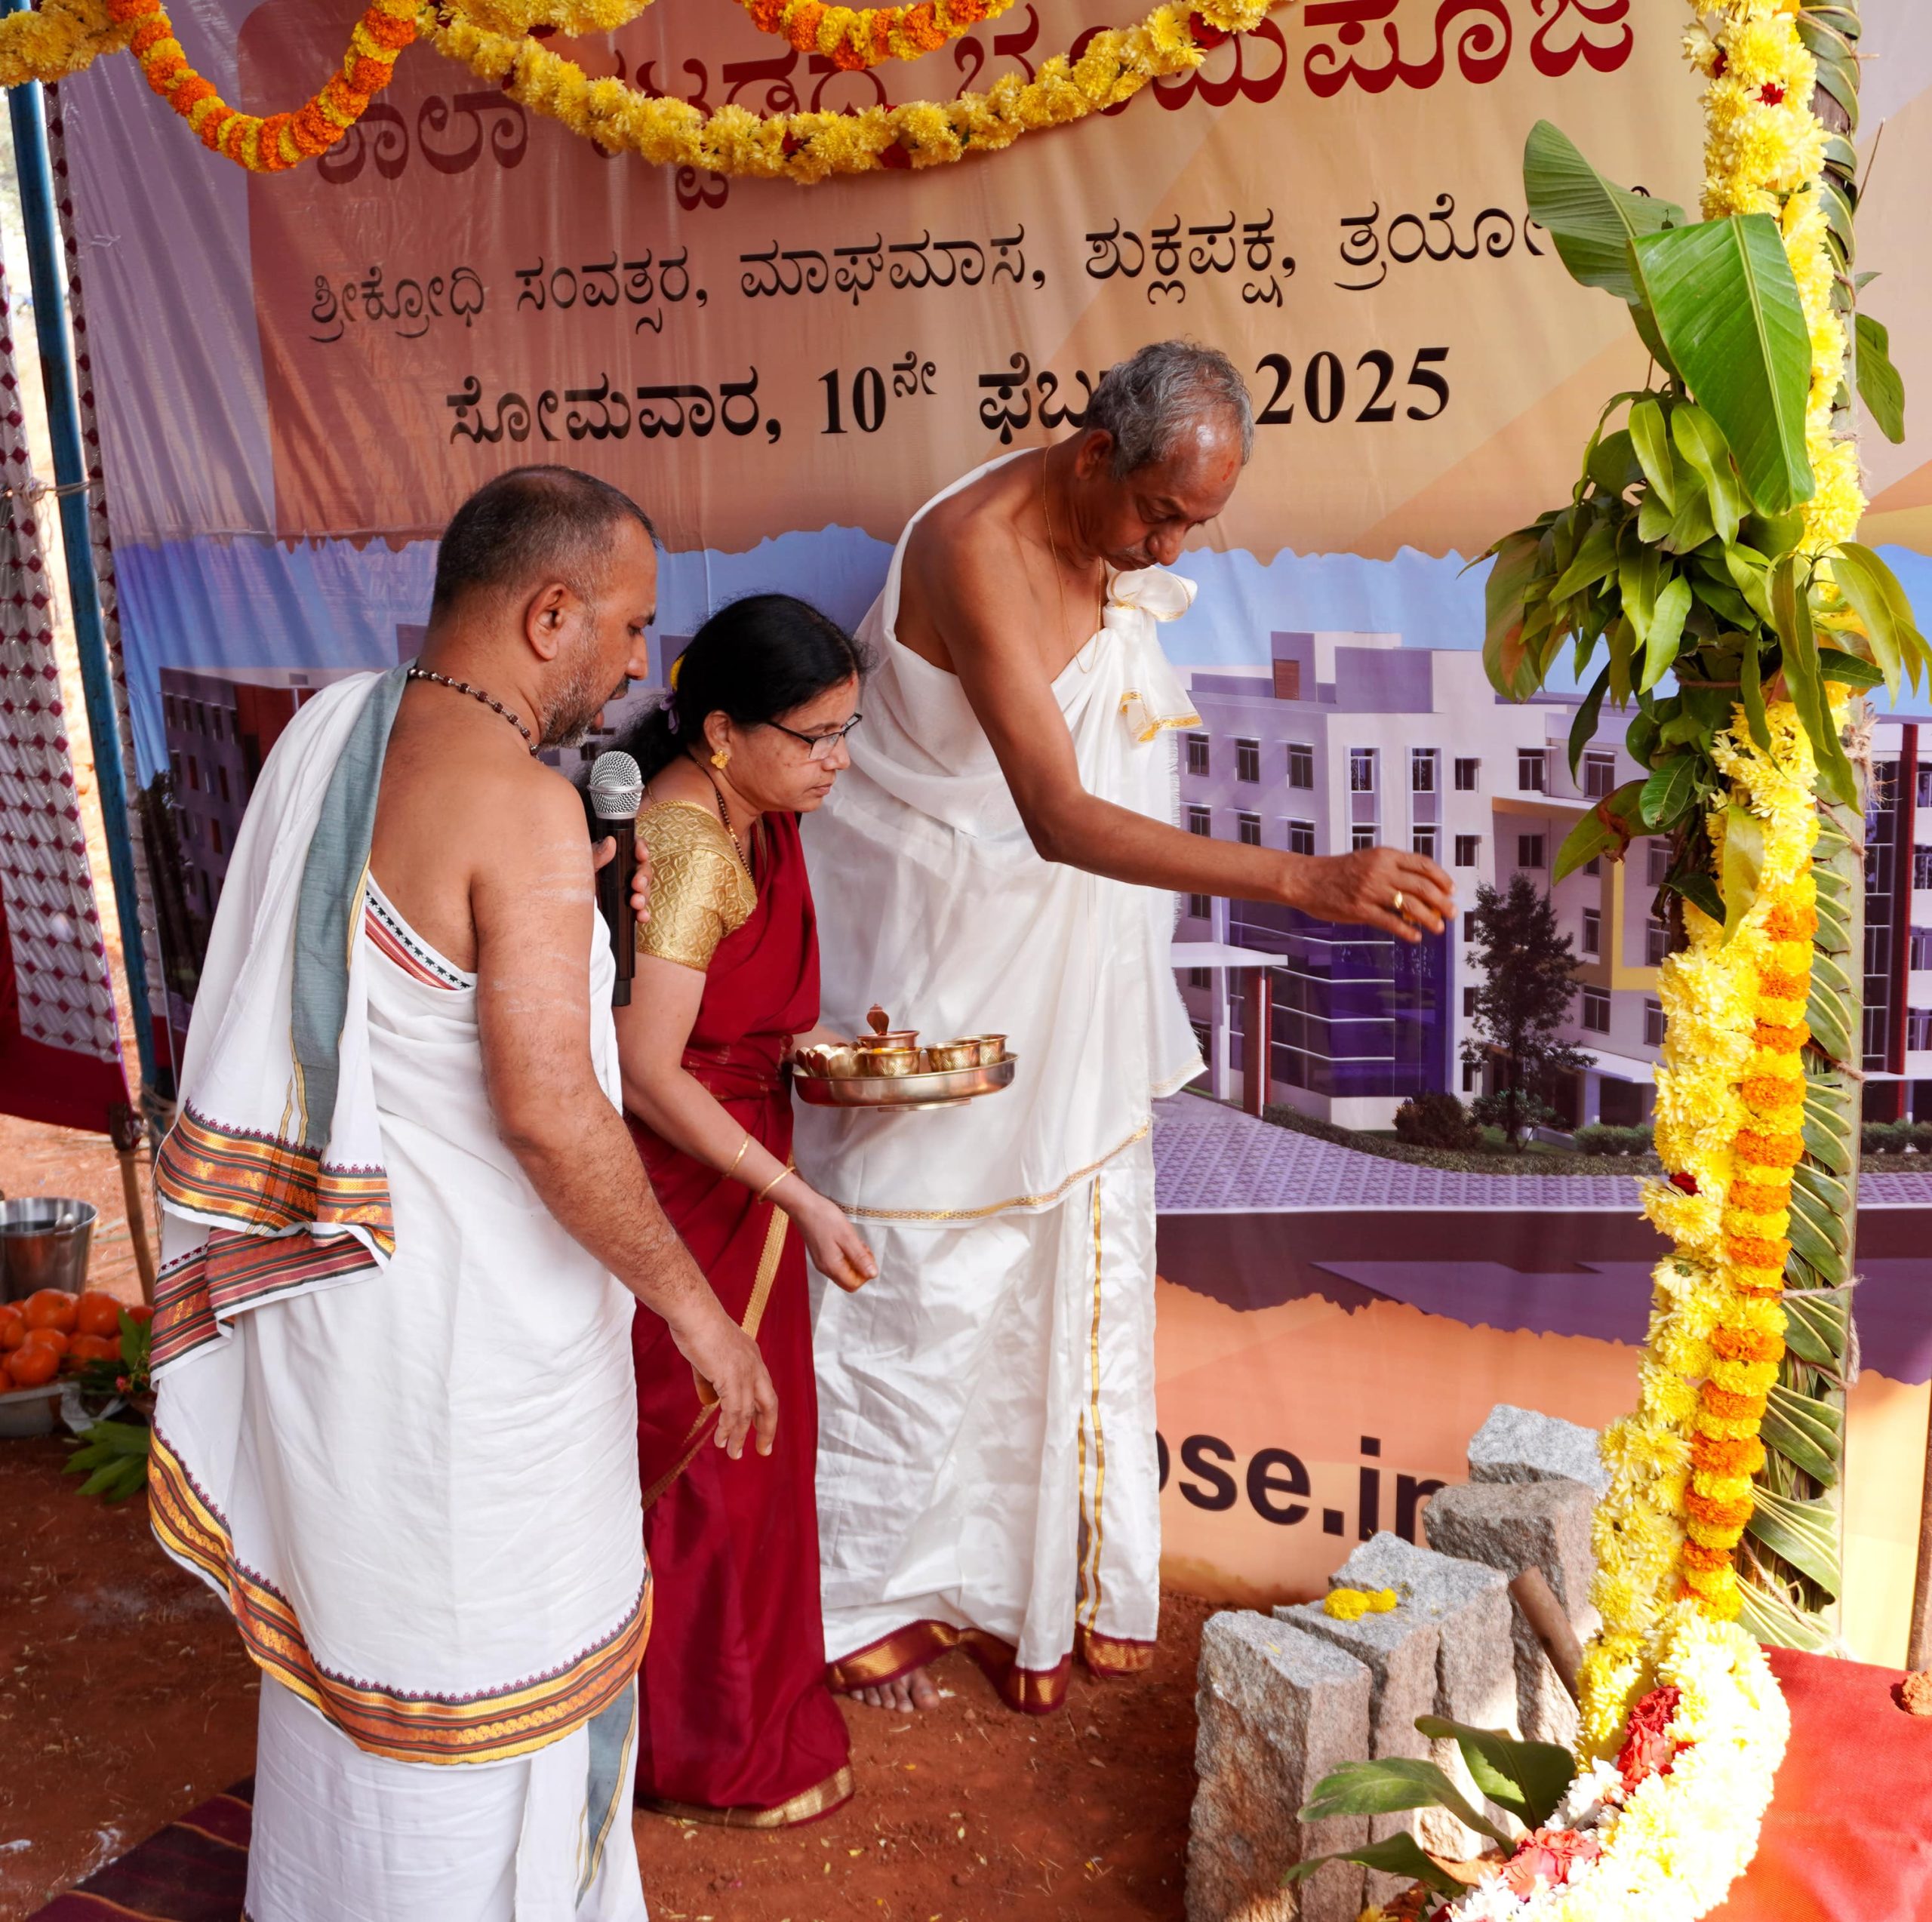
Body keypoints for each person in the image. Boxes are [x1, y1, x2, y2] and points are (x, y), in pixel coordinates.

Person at [146, 466, 777, 1921]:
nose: (639, 665)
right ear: (548, 613)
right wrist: (693, 1304)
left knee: (356, 1660)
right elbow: (554, 1113)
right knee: (482, 1684)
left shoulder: (332, 726)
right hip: (468, 1353)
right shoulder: (526, 811)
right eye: (625, 628)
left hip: (333, 1311)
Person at [797, 340, 1457, 1714]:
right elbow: (1052, 816)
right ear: (1095, 453)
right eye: (1158, 517)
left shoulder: (1106, 533)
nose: (1162, 552)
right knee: (922, 1270)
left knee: (1058, 1264)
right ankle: (865, 1587)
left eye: (1190, 530)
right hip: (944, 949)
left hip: (1068, 963)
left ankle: (1037, 1583)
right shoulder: (978, 547)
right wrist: (1304, 883)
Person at [609, 595, 877, 1827]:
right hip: (683, 1192)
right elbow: (648, 1067)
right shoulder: (694, 842)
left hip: (743, 1165)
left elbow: (729, 1023)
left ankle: (745, 1718)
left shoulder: (753, 816)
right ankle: (691, 1749)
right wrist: (803, 1200)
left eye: (846, 736)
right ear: (723, 728)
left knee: (755, 1457)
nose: (835, 764)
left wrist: (828, 1054)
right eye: (815, 738)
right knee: (706, 1459)